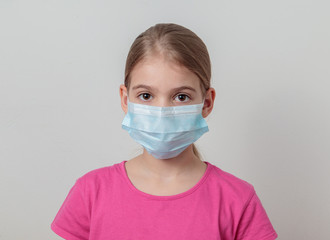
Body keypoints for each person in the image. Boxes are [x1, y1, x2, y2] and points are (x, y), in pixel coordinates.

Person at [51, 23, 278, 240]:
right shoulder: (90, 193)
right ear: (125, 98)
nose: (162, 112)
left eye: (181, 97)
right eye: (146, 95)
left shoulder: (238, 200)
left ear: (206, 103)